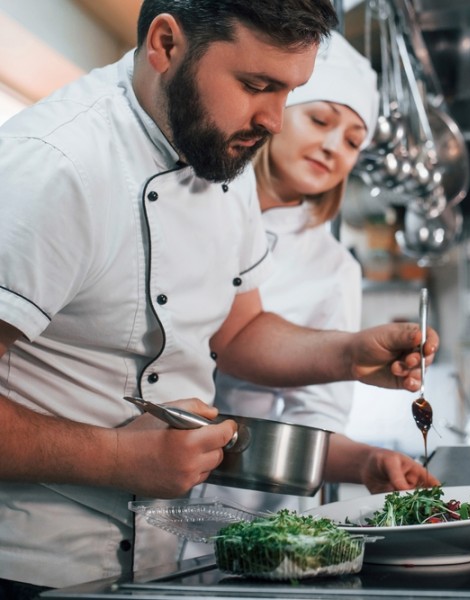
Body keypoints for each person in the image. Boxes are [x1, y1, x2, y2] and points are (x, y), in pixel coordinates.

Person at [0, 1, 438, 596]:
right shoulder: (54, 168)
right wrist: (116, 460)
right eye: (257, 85)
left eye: (290, 91)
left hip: (155, 562)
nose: (276, 120)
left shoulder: (221, 154)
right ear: (165, 44)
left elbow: (238, 334)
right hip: (28, 567)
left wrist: (348, 354)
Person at [190, 32, 438, 522]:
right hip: (125, 481)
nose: (332, 147)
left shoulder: (335, 267)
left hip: (240, 506)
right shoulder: (197, 196)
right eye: (321, 119)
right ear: (276, 116)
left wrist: (365, 460)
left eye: (352, 141)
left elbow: (313, 418)